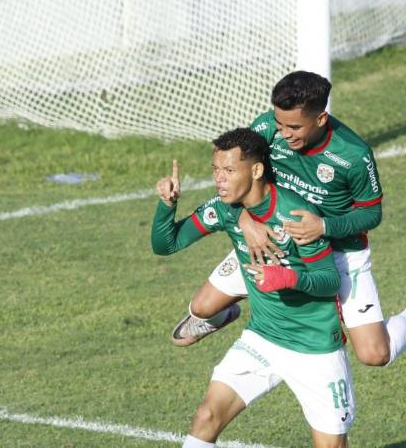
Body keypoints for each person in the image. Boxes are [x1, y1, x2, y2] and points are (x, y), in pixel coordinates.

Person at [173, 71, 406, 367]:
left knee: (375, 354)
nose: (284, 133)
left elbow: (371, 214)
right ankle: (226, 313)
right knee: (201, 309)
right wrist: (244, 220)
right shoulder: (267, 128)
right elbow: (240, 177)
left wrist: (323, 226)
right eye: (279, 123)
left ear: (321, 119)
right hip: (276, 241)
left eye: (294, 127)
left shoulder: (353, 155)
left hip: (340, 252)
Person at [151, 128, 355, 448]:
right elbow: (167, 244)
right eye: (215, 170)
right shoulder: (226, 208)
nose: (219, 179)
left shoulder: (295, 214)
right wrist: (167, 205)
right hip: (262, 338)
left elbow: (329, 281)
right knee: (207, 416)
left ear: (256, 170)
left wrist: (287, 279)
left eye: (229, 170)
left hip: (314, 348)